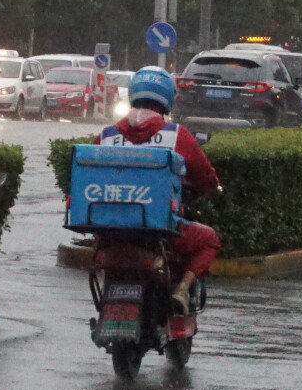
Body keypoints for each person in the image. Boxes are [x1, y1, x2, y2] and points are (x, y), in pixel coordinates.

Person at [94, 66, 222, 314]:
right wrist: (211, 187)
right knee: (209, 240)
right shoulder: (177, 136)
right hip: (162, 232)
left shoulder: (107, 136)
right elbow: (204, 176)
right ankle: (182, 289)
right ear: (168, 98)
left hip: (110, 232)